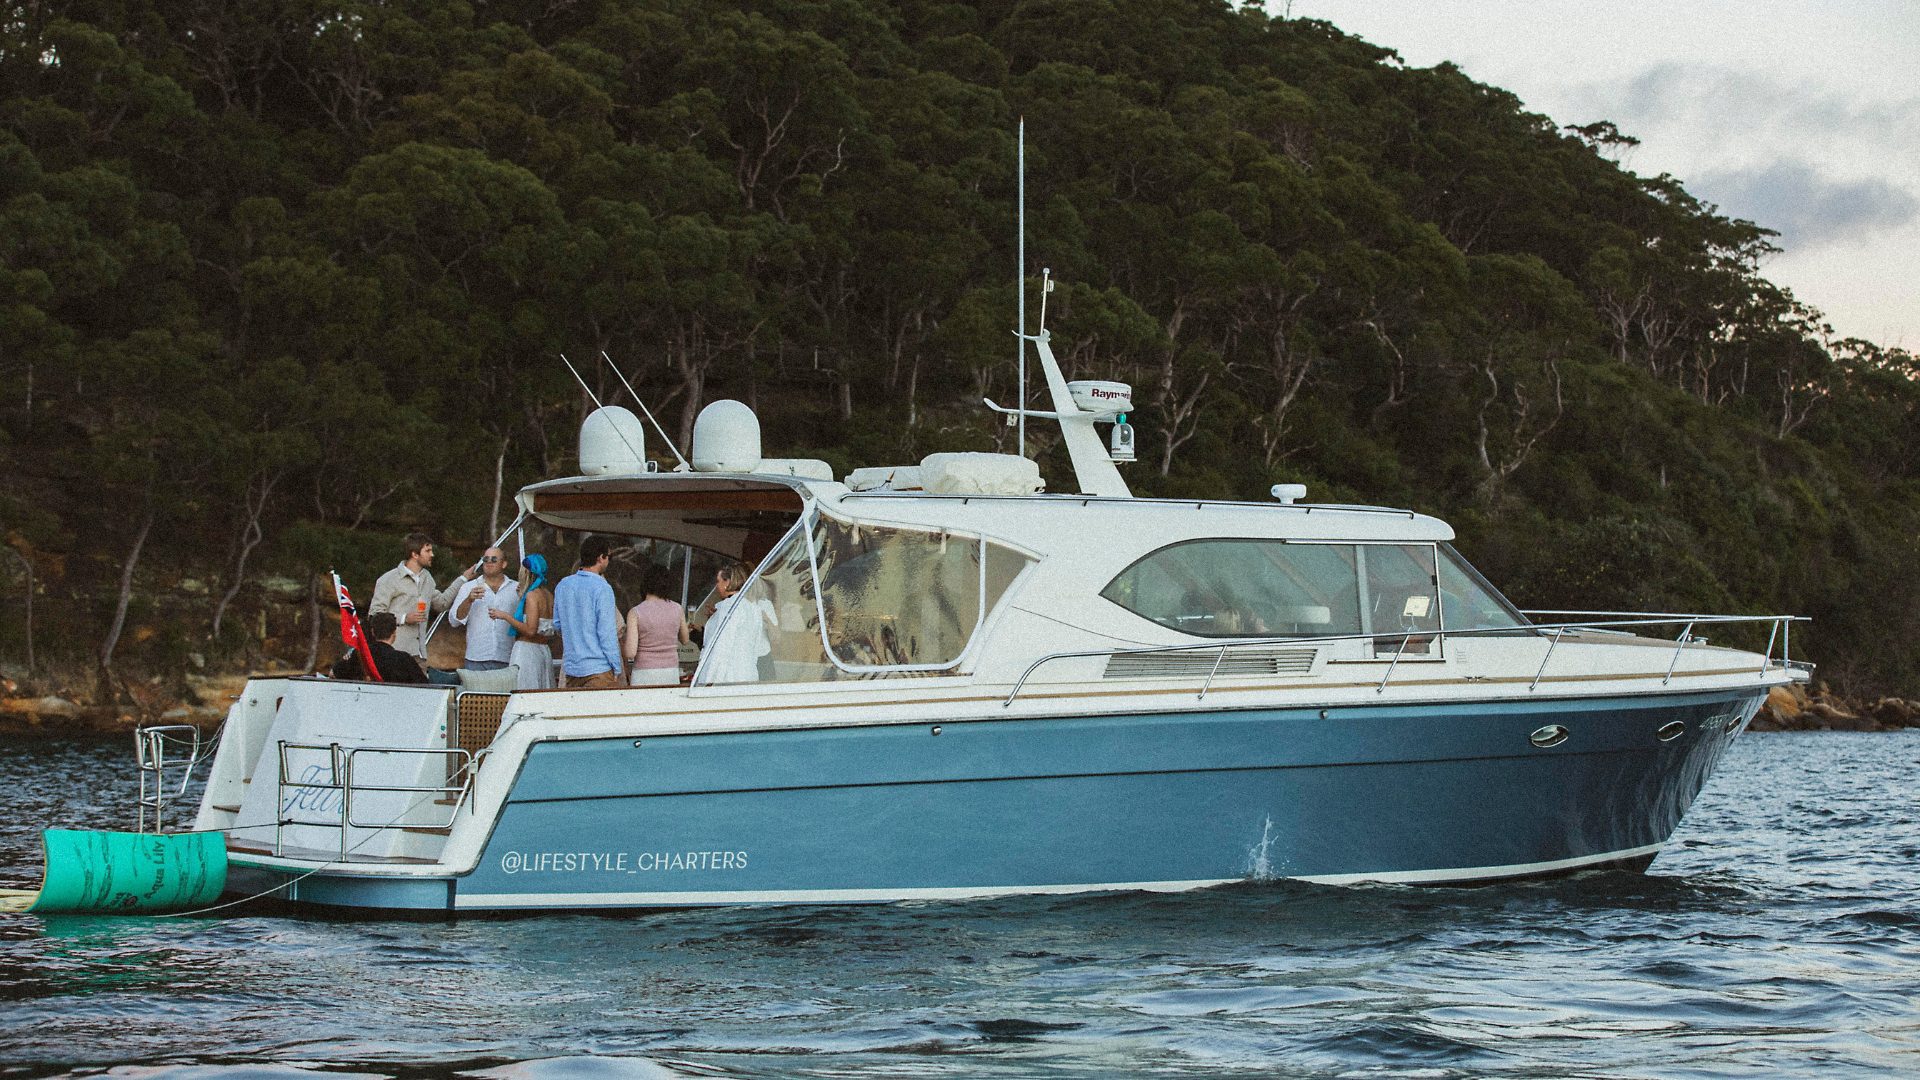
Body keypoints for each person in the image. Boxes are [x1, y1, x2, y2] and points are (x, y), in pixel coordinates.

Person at [370, 531, 477, 663]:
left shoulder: (427, 578)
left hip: (418, 655)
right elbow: (375, 614)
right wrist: (404, 618)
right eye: (428, 551)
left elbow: (442, 603)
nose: (432, 554)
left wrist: (463, 578)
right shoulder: (389, 579)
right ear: (415, 554)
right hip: (393, 653)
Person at [552, 535, 623, 688]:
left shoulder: (563, 585)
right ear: (601, 558)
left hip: (572, 668)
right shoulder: (603, 588)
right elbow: (606, 633)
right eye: (609, 556)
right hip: (599, 669)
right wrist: (616, 667)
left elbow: (557, 625)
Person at [448, 546, 519, 672]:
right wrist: (468, 600)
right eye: (485, 559)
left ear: (504, 564)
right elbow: (454, 621)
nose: (489, 562)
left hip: (507, 657)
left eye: (494, 559)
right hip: (476, 658)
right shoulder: (468, 587)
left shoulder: (516, 588)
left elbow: (525, 621)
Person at [704, 560, 774, 684]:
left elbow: (722, 647)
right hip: (749, 674)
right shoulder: (754, 608)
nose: (717, 586)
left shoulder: (728, 606)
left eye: (718, 581)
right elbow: (755, 646)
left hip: (728, 677)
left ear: (727, 583)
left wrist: (710, 680)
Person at [497, 553, 556, 690]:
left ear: (527, 572)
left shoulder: (532, 596)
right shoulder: (548, 595)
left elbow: (530, 630)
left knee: (524, 689)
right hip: (544, 650)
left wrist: (506, 616)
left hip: (528, 652)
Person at [625, 564, 691, 686]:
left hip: (643, 673)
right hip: (670, 672)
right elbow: (685, 640)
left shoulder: (635, 613)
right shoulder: (677, 609)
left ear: (645, 584)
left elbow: (630, 653)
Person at [330, 612, 429, 684]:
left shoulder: (360, 655)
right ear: (394, 633)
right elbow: (425, 686)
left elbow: (333, 674)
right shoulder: (404, 659)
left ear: (372, 632)